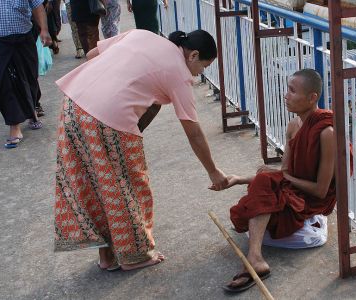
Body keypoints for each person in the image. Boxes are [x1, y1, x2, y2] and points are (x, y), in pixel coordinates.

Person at [54, 29, 229, 271]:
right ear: (193, 55)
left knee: (93, 185)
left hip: (73, 106)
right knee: (126, 186)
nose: (201, 72)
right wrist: (213, 171)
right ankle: (134, 256)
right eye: (204, 66)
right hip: (106, 121)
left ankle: (106, 257)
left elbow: (93, 54)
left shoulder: (142, 34)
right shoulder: (179, 72)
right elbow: (194, 132)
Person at [210, 69, 336, 293]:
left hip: (311, 201)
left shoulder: (326, 132)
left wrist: (277, 176)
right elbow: (284, 175)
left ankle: (255, 257)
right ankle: (256, 258)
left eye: (292, 90)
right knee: (261, 186)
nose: (285, 95)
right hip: (293, 192)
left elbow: (320, 191)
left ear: (312, 97)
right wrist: (239, 179)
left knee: (264, 185)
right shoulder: (292, 127)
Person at [0, 0, 51, 148]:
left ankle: (30, 110)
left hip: (24, 36)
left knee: (29, 77)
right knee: (3, 82)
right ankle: (14, 126)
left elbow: (37, 6)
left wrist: (44, 29)